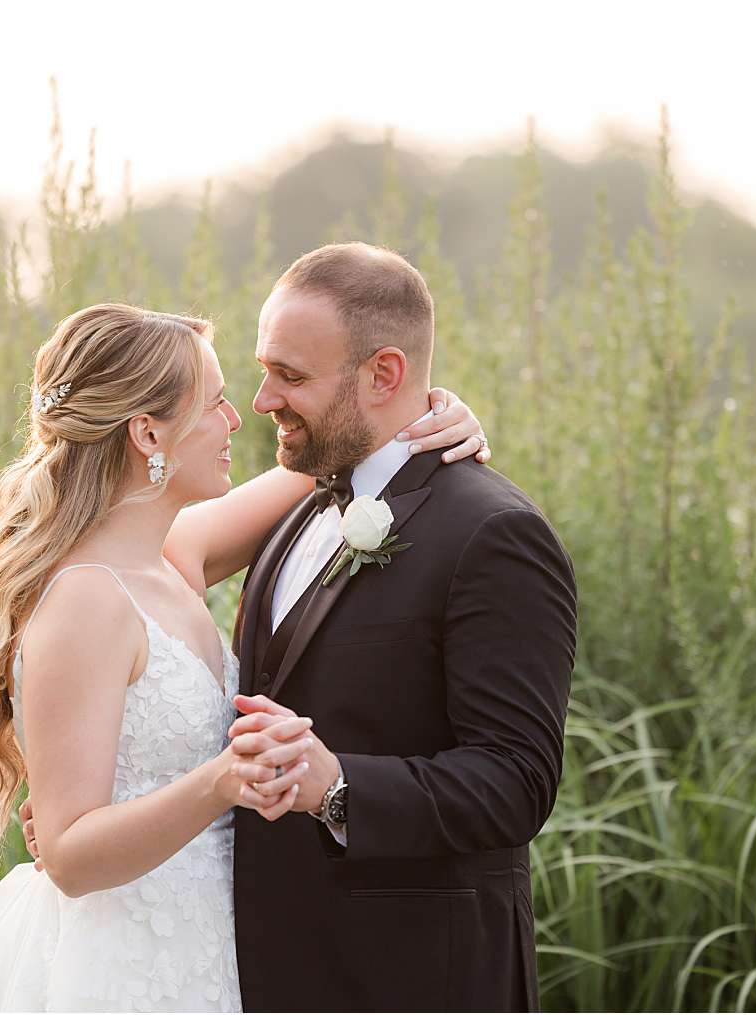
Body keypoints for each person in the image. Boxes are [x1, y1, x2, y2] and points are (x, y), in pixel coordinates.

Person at [0, 302, 489, 1011]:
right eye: (216, 402)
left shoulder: (172, 557)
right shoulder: (87, 598)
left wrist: (431, 415)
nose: (238, 420)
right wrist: (220, 782)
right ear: (148, 432)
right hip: (129, 963)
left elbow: (329, 458)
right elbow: (71, 854)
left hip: (217, 944)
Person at [220, 243, 578, 1011]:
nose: (261, 399)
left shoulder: (494, 533)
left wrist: (338, 786)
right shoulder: (298, 509)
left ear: (384, 373)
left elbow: (517, 781)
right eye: (264, 368)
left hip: (415, 979)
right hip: (267, 967)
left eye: (290, 375)